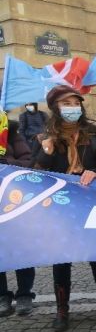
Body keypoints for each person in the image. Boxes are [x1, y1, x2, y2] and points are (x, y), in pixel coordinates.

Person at [33, 85, 96, 332]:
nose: (72, 108)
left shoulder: (94, 138)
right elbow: (34, 177)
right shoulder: (43, 139)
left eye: (75, 103)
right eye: (66, 104)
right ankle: (62, 309)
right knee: (61, 259)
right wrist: (47, 152)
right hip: (59, 210)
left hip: (90, 207)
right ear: (55, 109)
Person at [0, 118, 36, 317]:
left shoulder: (11, 131)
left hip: (12, 202)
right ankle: (2, 296)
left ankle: (24, 294)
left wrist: (7, 163)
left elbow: (28, 162)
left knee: (20, 249)